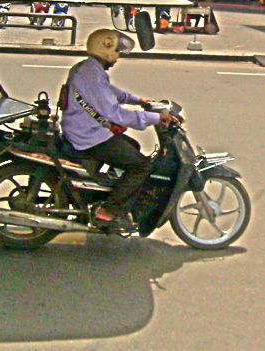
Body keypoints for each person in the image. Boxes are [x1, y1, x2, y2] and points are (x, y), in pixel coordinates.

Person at [61, 28, 178, 230]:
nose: (118, 56)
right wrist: (156, 118)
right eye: (116, 50)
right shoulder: (92, 75)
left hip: (84, 130)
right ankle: (108, 211)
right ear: (105, 48)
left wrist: (138, 100)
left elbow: (111, 92)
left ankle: (109, 190)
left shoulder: (90, 69)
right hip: (88, 137)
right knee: (142, 166)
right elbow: (115, 113)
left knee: (132, 145)